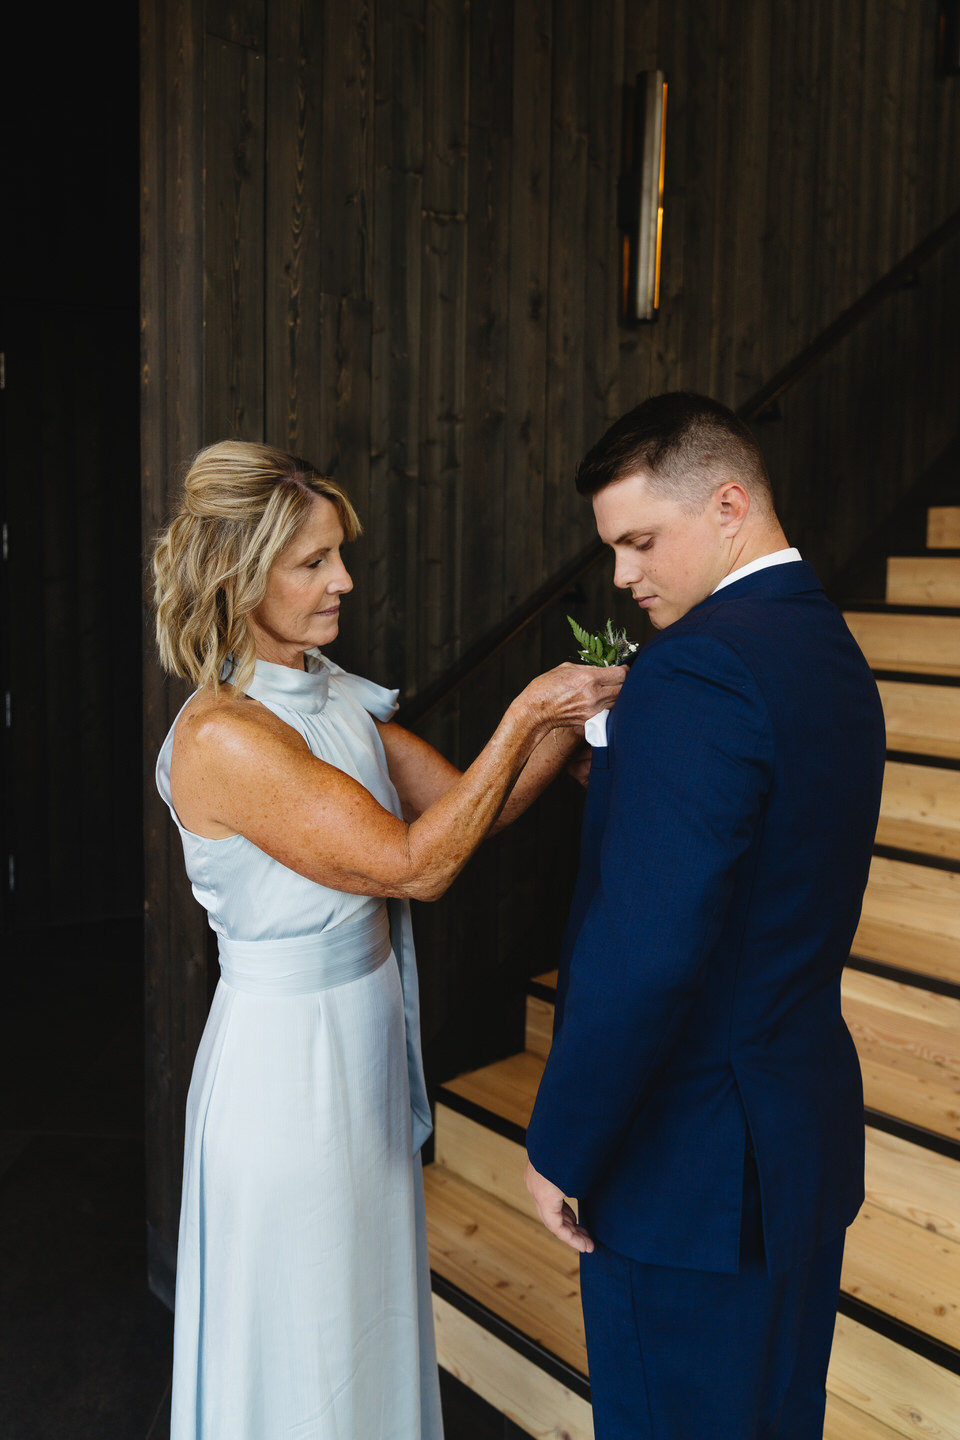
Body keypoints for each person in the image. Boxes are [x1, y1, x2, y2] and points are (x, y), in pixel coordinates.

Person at [151, 439, 624, 1440]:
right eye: (313, 562)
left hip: (359, 1035)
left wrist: (575, 721)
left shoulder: (325, 690)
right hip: (287, 1071)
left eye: (337, 555)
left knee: (359, 1308)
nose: (344, 582)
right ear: (240, 578)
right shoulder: (226, 736)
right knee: (306, 1319)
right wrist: (533, 706)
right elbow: (417, 865)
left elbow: (465, 811)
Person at [524, 393, 885, 1440]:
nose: (624, 575)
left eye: (640, 541)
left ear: (729, 505)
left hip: (691, 1170)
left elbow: (647, 956)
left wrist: (565, 1143)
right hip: (795, 1142)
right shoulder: (826, 648)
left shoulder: (693, 671)